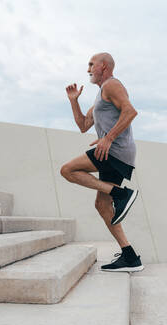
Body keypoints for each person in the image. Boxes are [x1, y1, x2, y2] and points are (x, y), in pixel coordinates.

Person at [61, 52, 143, 272]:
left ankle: (121, 193)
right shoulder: (99, 97)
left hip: (115, 151)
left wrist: (108, 137)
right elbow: (82, 125)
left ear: (104, 66)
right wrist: (73, 102)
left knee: (67, 170)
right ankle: (129, 256)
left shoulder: (112, 85)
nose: (88, 69)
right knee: (101, 205)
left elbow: (130, 111)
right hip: (114, 152)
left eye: (91, 64)